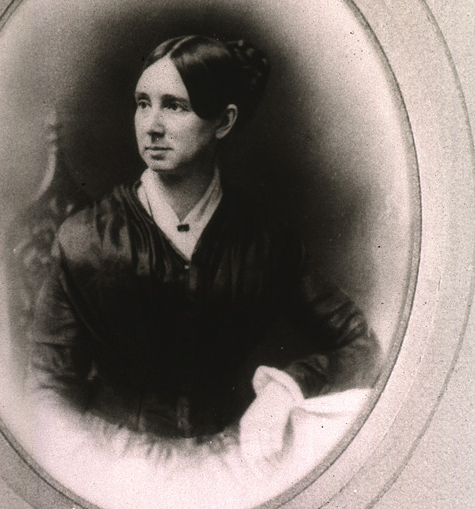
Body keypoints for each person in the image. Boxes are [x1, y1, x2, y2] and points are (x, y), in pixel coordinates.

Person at [28, 35, 381, 444]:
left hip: (231, 456)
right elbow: (47, 389)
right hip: (116, 461)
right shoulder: (88, 237)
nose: (153, 126)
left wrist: (285, 390)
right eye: (144, 103)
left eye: (175, 106)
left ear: (224, 121)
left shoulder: (266, 241)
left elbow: (364, 347)